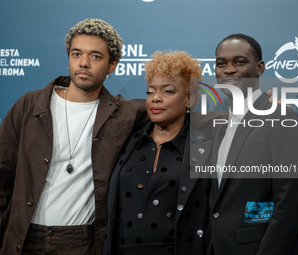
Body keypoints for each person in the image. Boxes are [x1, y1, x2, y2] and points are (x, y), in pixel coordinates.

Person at [0, 19, 147, 255]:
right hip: (24, 236)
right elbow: (3, 171)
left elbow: (170, 103)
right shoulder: (30, 105)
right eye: (76, 54)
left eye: (96, 56)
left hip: (82, 241)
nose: (84, 63)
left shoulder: (124, 114)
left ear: (112, 66)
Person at [204, 34, 298, 255]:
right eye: (221, 64)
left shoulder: (283, 119)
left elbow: (289, 207)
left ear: (260, 68)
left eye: (240, 62)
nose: (229, 70)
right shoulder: (221, 128)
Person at [103, 51, 212, 255]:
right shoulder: (127, 140)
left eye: (168, 91)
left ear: (189, 100)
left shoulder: (206, 150)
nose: (156, 98)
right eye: (150, 91)